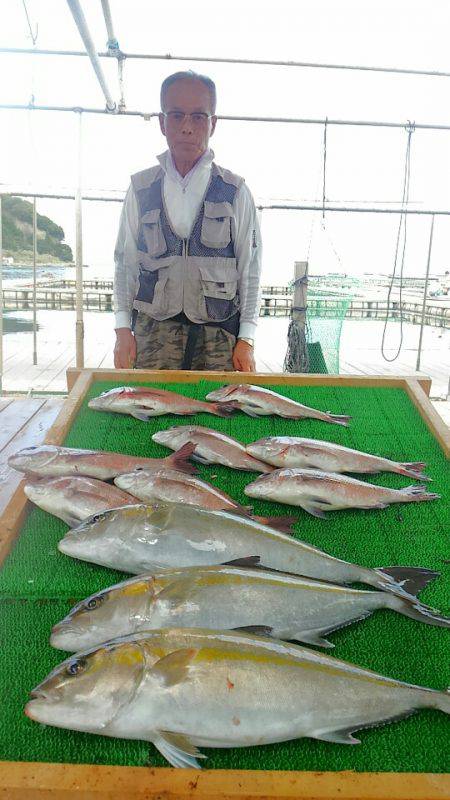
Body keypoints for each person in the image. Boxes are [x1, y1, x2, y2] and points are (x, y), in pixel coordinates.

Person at [113, 70, 262, 372]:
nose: (187, 127)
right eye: (177, 115)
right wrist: (121, 330)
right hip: (151, 335)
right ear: (162, 122)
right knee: (149, 413)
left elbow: (251, 268)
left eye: (198, 117)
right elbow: (125, 263)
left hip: (218, 338)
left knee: (220, 415)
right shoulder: (141, 189)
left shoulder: (235, 191)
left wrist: (246, 339)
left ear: (213, 124)